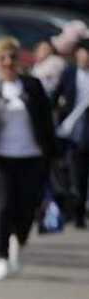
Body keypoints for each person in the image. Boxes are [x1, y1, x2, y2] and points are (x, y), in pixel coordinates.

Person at [0, 37, 56, 281]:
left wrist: (52, 154)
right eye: (2, 58)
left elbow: (47, 123)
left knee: (26, 210)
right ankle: (1, 257)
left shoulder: (33, 87)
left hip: (31, 156)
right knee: (1, 207)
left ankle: (19, 242)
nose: (8, 62)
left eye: (12, 57)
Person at [52, 37, 89, 229]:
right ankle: (77, 211)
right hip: (73, 130)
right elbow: (56, 95)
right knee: (77, 172)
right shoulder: (69, 72)